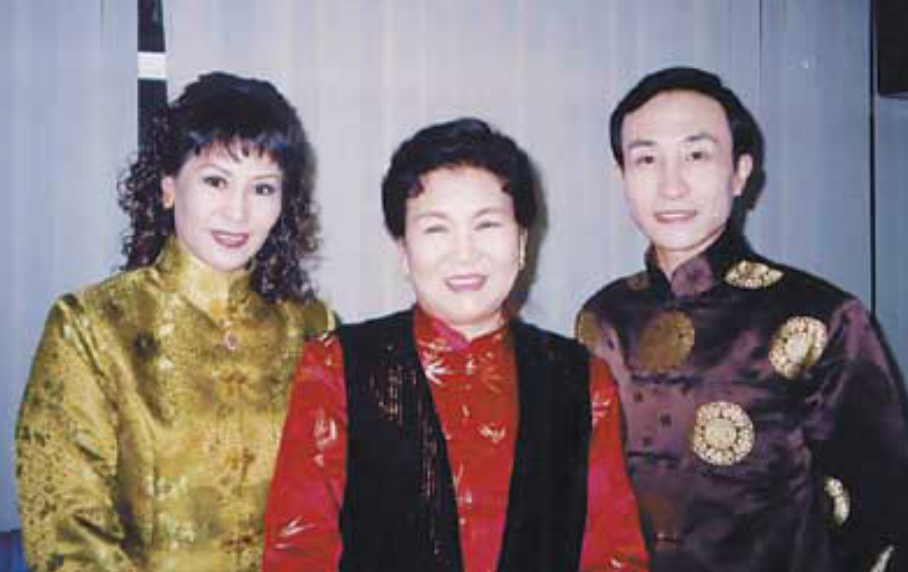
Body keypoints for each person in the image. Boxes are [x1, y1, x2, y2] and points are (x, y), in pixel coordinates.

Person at [262, 118, 649, 572]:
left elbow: (614, 554)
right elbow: (298, 553)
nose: (464, 253)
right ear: (403, 251)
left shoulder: (580, 379)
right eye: (436, 229)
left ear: (522, 243)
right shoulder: (336, 367)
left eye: (487, 225)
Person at [576, 66, 908, 572]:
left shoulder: (821, 319)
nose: (671, 185)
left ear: (740, 173)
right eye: (646, 158)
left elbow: (881, 512)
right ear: (621, 176)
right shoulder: (602, 318)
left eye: (696, 155)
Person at [15, 72, 334, 572]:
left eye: (262, 188)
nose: (238, 212)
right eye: (215, 181)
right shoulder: (91, 326)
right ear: (168, 187)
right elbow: (66, 533)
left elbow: (337, 503)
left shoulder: (312, 327)